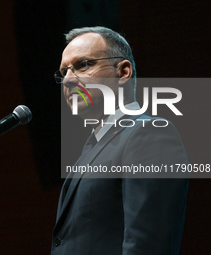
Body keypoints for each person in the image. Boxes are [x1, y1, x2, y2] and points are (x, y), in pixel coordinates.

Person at [51, 26, 189, 255]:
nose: (68, 81)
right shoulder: (92, 147)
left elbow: (147, 246)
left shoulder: (150, 134)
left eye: (83, 65)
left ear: (123, 71)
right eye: (63, 72)